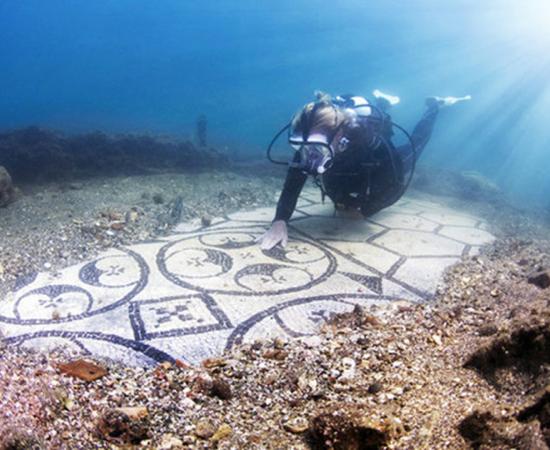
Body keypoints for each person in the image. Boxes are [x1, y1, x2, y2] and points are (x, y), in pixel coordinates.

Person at [257, 90, 471, 250]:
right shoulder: (312, 144)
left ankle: (434, 107)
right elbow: (293, 183)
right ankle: (383, 102)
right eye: (301, 147)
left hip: (384, 164)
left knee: (416, 147)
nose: (309, 157)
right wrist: (280, 220)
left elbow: (395, 187)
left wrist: (366, 210)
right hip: (346, 169)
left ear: (340, 138)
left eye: (316, 149)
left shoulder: (368, 142)